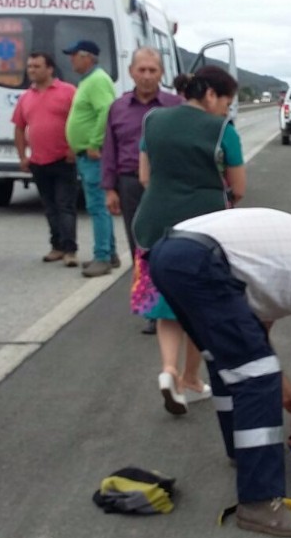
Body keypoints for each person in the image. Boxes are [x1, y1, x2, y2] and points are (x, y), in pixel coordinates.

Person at [147, 208, 291, 538]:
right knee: (257, 376)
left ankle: (241, 453)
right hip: (200, 260)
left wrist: (286, 392)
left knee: (228, 361)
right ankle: (260, 503)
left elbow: (256, 340)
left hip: (169, 253)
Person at [132, 66, 246, 414]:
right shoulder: (223, 130)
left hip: (152, 224)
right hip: (203, 230)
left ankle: (168, 371)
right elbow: (238, 188)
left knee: (166, 305)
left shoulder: (153, 120)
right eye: (226, 102)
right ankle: (191, 379)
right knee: (198, 307)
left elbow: (144, 176)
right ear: (211, 94)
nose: (226, 110)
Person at [102, 48, 182, 336]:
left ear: (162, 74)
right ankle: (151, 310)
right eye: (142, 70)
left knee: (171, 246)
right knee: (141, 247)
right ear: (131, 72)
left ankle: (176, 305)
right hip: (129, 184)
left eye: (153, 70)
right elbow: (109, 150)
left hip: (167, 185)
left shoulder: (176, 105)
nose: (147, 76)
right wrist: (109, 188)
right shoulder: (118, 108)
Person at [12, 52, 78, 265]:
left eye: (37, 66)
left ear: (49, 69)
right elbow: (20, 128)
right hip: (38, 162)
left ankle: (70, 250)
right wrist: (23, 156)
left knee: (65, 205)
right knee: (49, 207)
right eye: (29, 66)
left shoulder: (68, 92)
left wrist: (74, 148)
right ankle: (56, 246)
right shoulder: (25, 97)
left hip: (63, 160)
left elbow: (79, 122)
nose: (32, 70)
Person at [64, 39, 118, 278]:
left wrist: (96, 143)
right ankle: (110, 253)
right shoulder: (89, 80)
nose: (71, 59)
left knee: (97, 206)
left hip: (93, 154)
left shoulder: (96, 81)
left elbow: (106, 111)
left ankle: (103, 256)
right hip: (85, 154)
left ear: (88, 57)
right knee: (98, 205)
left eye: (74, 55)